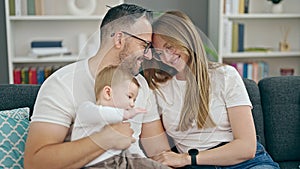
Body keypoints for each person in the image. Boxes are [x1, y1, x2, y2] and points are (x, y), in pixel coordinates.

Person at [24, 4, 170, 169]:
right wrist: (105, 139)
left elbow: (159, 153)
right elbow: (35, 163)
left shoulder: (140, 85)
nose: (148, 55)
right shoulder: (61, 83)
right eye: (144, 45)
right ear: (120, 39)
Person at [143, 11, 280, 169]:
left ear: (186, 39)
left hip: (245, 163)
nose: (167, 58)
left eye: (170, 47)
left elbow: (246, 147)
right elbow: (162, 155)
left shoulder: (225, 75)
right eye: (159, 53)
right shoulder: (158, 89)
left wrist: (187, 159)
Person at [71, 64, 155, 167]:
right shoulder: (86, 109)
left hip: (121, 159)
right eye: (129, 96)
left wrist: (144, 161)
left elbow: (130, 144)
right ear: (108, 93)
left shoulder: (118, 120)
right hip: (96, 164)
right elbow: (102, 114)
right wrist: (126, 114)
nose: (132, 104)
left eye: (134, 100)